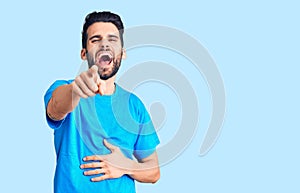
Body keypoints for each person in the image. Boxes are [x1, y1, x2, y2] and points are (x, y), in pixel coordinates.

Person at [44, 11, 160, 193]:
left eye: (112, 39)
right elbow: (56, 108)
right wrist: (76, 90)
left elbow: (153, 171)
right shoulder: (64, 88)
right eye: (95, 39)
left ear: (122, 53)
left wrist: (126, 166)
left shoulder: (134, 105)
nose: (104, 44)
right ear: (84, 53)